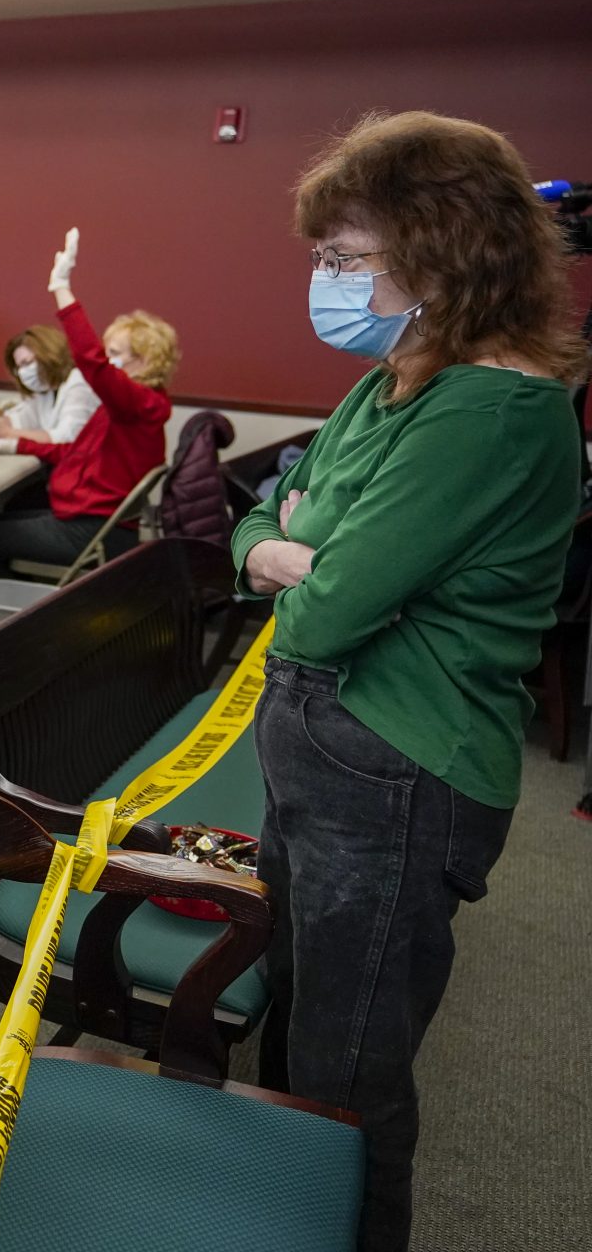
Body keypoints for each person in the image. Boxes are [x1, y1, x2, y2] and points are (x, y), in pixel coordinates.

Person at [234, 112, 584, 1252]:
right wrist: (290, 546)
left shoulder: (490, 407)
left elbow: (329, 600)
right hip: (328, 757)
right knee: (300, 1030)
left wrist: (303, 551)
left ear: (443, 253)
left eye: (346, 259)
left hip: (397, 772)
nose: (325, 281)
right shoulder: (397, 376)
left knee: (348, 1080)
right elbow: (266, 521)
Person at [0, 232, 174, 632]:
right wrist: (11, 441)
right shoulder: (129, 407)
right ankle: (21, 621)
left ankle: (3, 632)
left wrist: (61, 289)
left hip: (88, 530)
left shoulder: (136, 404)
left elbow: (90, 361)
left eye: (117, 354)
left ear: (144, 360)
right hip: (87, 519)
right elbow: (71, 451)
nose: (107, 361)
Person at [0, 324, 99, 445]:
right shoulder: (46, 389)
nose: (22, 372)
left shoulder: (78, 381)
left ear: (48, 354)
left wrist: (8, 433)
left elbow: (68, 436)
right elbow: (22, 418)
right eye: (18, 368)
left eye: (26, 363)